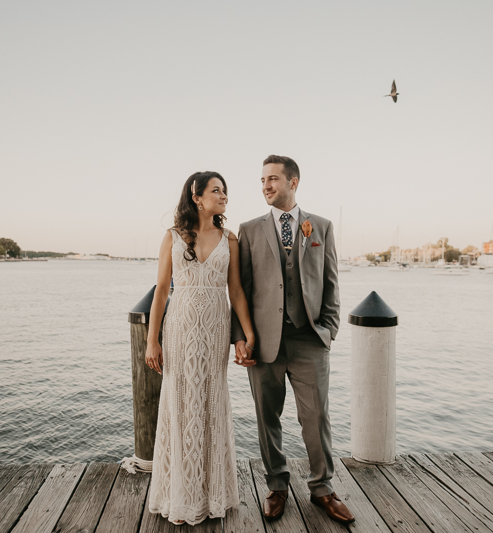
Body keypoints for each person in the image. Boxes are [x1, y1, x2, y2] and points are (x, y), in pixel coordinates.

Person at [232, 155, 355, 524]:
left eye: (273, 179)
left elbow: (331, 284)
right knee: (266, 417)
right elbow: (241, 290)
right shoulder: (249, 229)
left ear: (293, 182)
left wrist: (328, 331)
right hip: (263, 343)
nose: (266, 186)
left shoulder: (321, 226)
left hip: (308, 341)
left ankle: (323, 489)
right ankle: (277, 486)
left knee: (316, 418)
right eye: (262, 180)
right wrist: (240, 338)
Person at [145, 171, 257, 526]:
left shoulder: (231, 239)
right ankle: (179, 494)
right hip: (179, 328)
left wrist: (248, 333)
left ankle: (212, 495)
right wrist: (153, 339)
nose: (224, 196)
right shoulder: (173, 237)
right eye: (216, 190)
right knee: (180, 403)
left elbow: (236, 291)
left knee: (210, 402)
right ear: (196, 195)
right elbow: (162, 290)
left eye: (225, 191)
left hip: (214, 330)